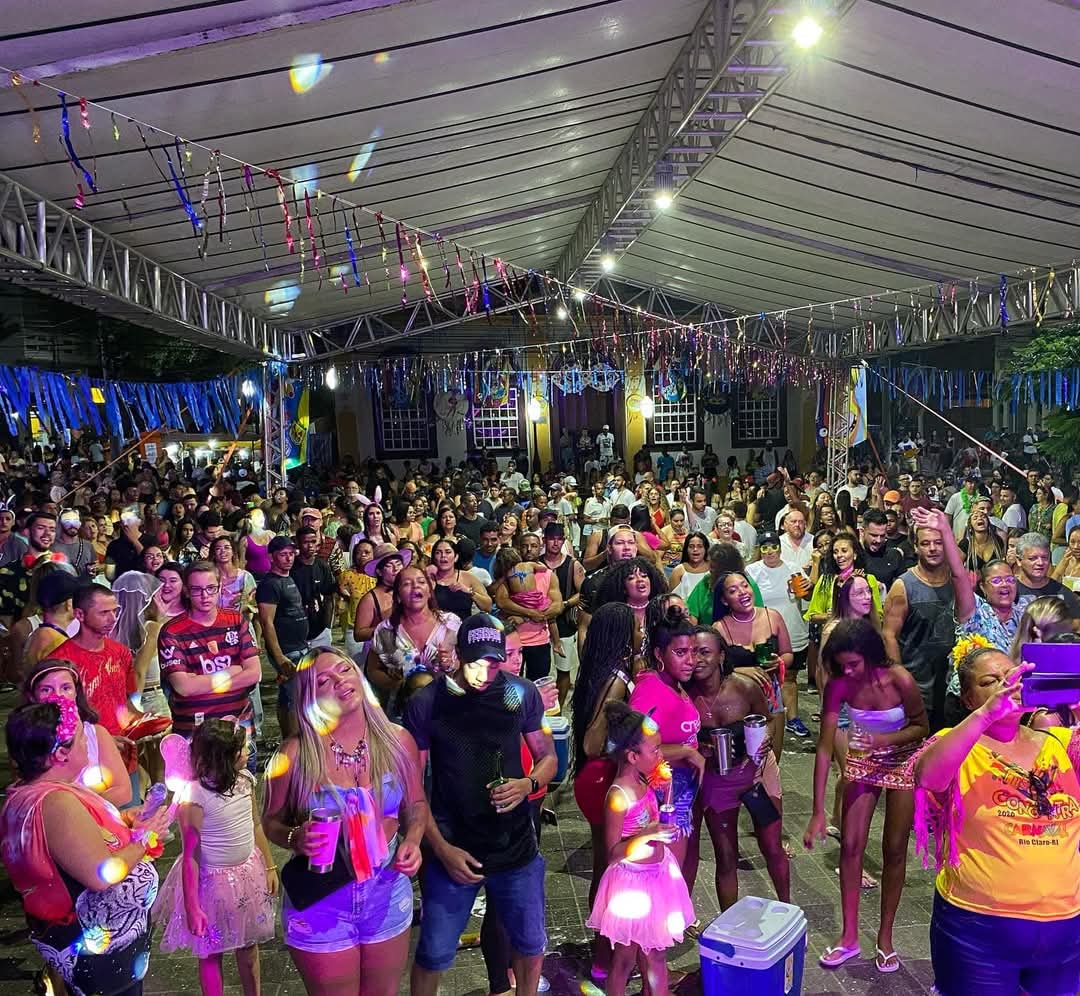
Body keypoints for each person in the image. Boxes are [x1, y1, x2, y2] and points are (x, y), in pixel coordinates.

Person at [914, 647, 1080, 995]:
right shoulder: (956, 744)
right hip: (978, 932)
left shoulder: (1060, 743)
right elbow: (928, 776)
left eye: (1013, 676)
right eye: (991, 681)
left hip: (1065, 929)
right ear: (968, 699)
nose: (1007, 686)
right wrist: (987, 715)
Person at [262, 648, 426, 996]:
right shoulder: (293, 755)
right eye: (324, 681)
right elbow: (271, 822)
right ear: (310, 698)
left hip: (386, 888)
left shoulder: (398, 741)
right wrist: (295, 837)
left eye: (344, 669)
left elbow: (415, 804)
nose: (339, 681)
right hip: (323, 899)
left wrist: (413, 839)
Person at [404, 614, 554, 996]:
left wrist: (527, 784)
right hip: (454, 845)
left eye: (493, 663)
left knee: (530, 942)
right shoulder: (427, 702)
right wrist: (441, 849)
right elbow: (412, 787)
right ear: (457, 654)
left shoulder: (520, 693)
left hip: (515, 845)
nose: (484, 674)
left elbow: (548, 758)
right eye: (475, 663)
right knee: (433, 952)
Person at [1, 699, 170, 996]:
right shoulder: (55, 803)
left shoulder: (37, 791)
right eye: (82, 737)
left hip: (103, 948)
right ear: (61, 753)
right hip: (100, 955)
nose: (88, 743)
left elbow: (77, 841)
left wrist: (123, 822)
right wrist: (145, 837)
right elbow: (102, 874)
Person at [805, 619, 928, 973]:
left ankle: (885, 939)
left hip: (903, 757)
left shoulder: (899, 679)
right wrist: (817, 810)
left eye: (853, 663)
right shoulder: (839, 685)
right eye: (841, 664)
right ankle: (849, 937)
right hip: (863, 757)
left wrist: (884, 740)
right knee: (850, 845)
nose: (847, 670)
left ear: (870, 655)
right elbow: (825, 747)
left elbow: (922, 727)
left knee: (894, 849)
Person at [153, 719, 275, 996]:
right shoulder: (195, 797)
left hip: (247, 876)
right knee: (210, 952)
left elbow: (255, 824)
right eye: (241, 749)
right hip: (212, 884)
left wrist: (270, 865)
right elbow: (191, 855)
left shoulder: (245, 781)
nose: (248, 751)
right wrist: (193, 906)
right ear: (223, 758)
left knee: (248, 946)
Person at [585, 701, 694, 996]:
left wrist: (667, 792)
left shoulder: (645, 779)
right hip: (632, 884)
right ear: (633, 756)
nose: (660, 755)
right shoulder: (618, 796)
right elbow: (612, 854)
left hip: (658, 878)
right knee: (625, 958)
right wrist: (646, 835)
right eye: (655, 750)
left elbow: (658, 817)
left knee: (656, 953)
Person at [683, 627, 788, 911]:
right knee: (726, 856)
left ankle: (788, 910)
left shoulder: (744, 687)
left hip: (757, 774)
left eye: (704, 652)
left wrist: (765, 741)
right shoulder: (685, 695)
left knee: (772, 846)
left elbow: (768, 720)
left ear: (721, 656)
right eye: (692, 652)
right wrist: (699, 750)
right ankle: (728, 923)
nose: (697, 659)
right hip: (717, 780)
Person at [569, 602, 638, 981]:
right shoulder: (616, 679)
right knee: (610, 868)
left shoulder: (600, 670)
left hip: (592, 779)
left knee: (604, 866)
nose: (641, 632)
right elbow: (592, 743)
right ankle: (604, 956)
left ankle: (603, 954)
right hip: (601, 779)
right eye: (635, 627)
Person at [627, 610, 702, 869]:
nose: (691, 660)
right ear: (659, 654)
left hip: (682, 796)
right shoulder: (650, 691)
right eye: (680, 653)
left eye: (694, 651)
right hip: (664, 802)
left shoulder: (675, 684)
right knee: (667, 875)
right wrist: (687, 752)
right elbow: (634, 748)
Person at [158, 561, 261, 747]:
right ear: (186, 591)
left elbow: (254, 674)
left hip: (239, 731)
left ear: (220, 588)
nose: (205, 596)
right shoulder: (171, 632)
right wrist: (232, 671)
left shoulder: (236, 620)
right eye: (197, 590)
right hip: (195, 735)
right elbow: (184, 687)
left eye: (211, 588)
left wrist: (200, 682)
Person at [23, 658, 130, 807]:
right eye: (46, 690)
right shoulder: (26, 739)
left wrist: (78, 812)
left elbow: (123, 790)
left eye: (66, 688)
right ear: (32, 697)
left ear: (76, 692)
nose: (58, 696)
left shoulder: (96, 734)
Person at [883, 522, 956, 732]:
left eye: (938, 542)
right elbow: (888, 635)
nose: (932, 548)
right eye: (925, 543)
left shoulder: (957, 581)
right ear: (915, 547)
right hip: (917, 684)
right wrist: (900, 680)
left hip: (952, 684)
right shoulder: (904, 585)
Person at [747, 530, 812, 738]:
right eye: (765, 547)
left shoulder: (793, 569)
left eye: (773, 546)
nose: (770, 551)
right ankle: (764, 717)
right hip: (763, 633)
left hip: (792, 629)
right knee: (762, 676)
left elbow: (807, 595)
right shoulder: (752, 571)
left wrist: (808, 587)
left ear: (780, 548)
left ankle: (792, 718)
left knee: (790, 676)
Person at [368, 566, 460, 712]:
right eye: (407, 583)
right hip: (401, 712)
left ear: (429, 592)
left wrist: (451, 664)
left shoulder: (451, 624)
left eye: (421, 582)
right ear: (398, 596)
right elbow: (372, 671)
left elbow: (467, 664)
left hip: (446, 709)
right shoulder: (386, 630)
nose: (415, 586)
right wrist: (397, 684)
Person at [256, 536, 310, 738]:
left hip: (299, 645)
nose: (289, 558)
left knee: (288, 696)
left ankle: (289, 738)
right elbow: (266, 622)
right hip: (287, 650)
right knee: (295, 698)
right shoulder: (270, 584)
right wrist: (279, 657)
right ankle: (294, 740)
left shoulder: (288, 578)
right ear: (272, 557)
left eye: (291, 554)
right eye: (283, 554)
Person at [541, 521, 584, 709]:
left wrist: (564, 604)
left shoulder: (572, 564)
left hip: (565, 624)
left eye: (559, 539)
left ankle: (557, 709)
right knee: (541, 672)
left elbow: (582, 592)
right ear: (545, 540)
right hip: (539, 624)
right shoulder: (536, 563)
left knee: (564, 670)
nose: (556, 543)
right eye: (552, 539)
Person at [291, 526, 336, 647]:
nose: (310, 546)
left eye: (313, 541)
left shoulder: (322, 566)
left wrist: (327, 627)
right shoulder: (291, 568)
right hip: (295, 631)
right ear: (298, 543)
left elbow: (329, 598)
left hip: (320, 630)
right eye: (306, 542)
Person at [1014, 531, 1080, 614]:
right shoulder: (1009, 591)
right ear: (1019, 560)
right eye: (1033, 558)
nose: (1040, 562)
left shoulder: (1064, 595)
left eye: (1044, 557)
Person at [427, 537, 492, 618]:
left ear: (456, 557)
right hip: (435, 623)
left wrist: (469, 592)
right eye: (438, 553)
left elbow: (488, 607)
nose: (443, 556)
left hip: (463, 624)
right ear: (434, 557)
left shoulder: (468, 577)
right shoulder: (428, 579)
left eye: (448, 552)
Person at [668, 530, 710, 602]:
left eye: (700, 546)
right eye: (691, 546)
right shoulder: (678, 571)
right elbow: (671, 600)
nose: (695, 549)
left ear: (705, 549)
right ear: (686, 549)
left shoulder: (713, 569)